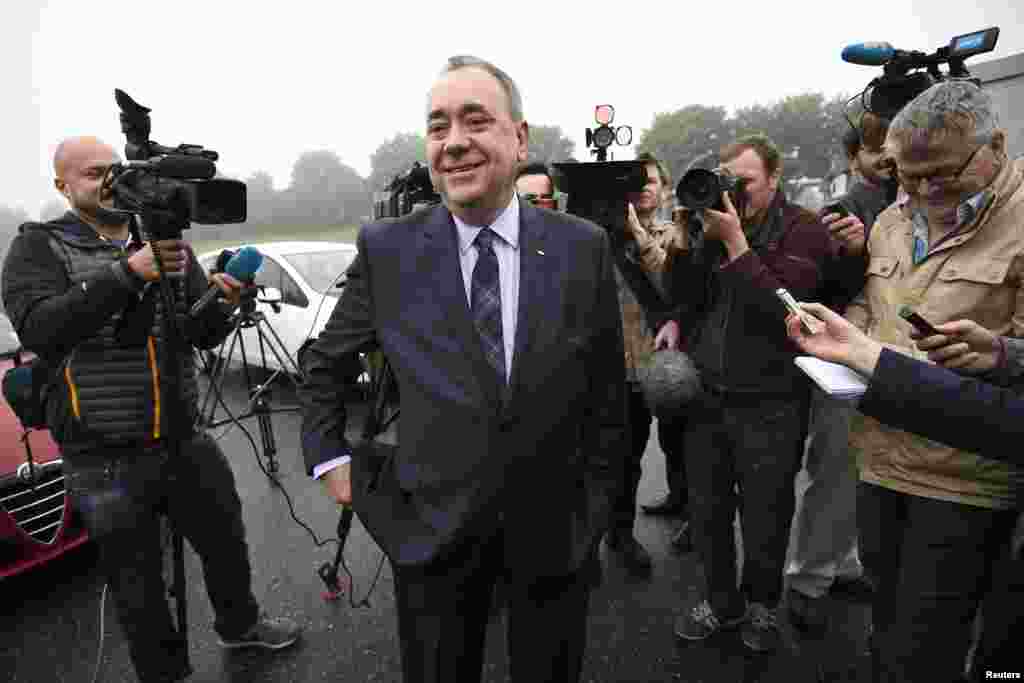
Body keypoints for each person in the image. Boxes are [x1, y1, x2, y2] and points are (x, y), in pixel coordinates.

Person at [298, 56, 627, 683]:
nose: (453, 142)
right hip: (431, 537)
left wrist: (597, 505)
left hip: (554, 534)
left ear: (520, 139)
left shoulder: (581, 246)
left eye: (475, 121)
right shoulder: (387, 249)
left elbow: (607, 391)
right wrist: (329, 458)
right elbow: (323, 364)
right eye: (438, 126)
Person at [1, 136, 300, 683]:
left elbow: (197, 334)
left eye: (114, 170)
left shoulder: (163, 240)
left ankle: (240, 624)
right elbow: (41, 329)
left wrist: (223, 302)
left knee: (226, 540)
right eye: (94, 173)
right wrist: (127, 274)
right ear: (62, 186)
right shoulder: (38, 246)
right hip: (103, 452)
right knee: (136, 580)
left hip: (184, 434)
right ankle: (164, 673)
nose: (110, 182)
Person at [842, 79, 1024, 683]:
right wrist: (846, 331)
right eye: (907, 176)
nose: (922, 192)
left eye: (942, 175)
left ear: (995, 146)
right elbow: (874, 304)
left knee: (928, 639)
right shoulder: (890, 221)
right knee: (884, 618)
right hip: (878, 458)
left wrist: (1001, 354)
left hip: (966, 480)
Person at [661, 134, 867, 653]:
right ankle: (720, 602)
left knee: (765, 515)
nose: (734, 191)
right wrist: (684, 245)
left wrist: (736, 245)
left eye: (745, 182)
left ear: (774, 179)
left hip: (771, 399)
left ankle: (761, 605)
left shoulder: (803, 229)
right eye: (727, 180)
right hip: (706, 396)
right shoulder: (710, 225)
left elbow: (788, 313)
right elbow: (681, 299)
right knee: (707, 513)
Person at [784, 112, 893, 630]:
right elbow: (818, 292)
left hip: (897, 358)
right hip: (845, 358)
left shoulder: (914, 204)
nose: (888, 156)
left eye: (894, 144)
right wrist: (852, 250)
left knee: (868, 471)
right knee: (834, 467)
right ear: (853, 159)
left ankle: (842, 563)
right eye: (875, 148)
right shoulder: (839, 213)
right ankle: (807, 578)